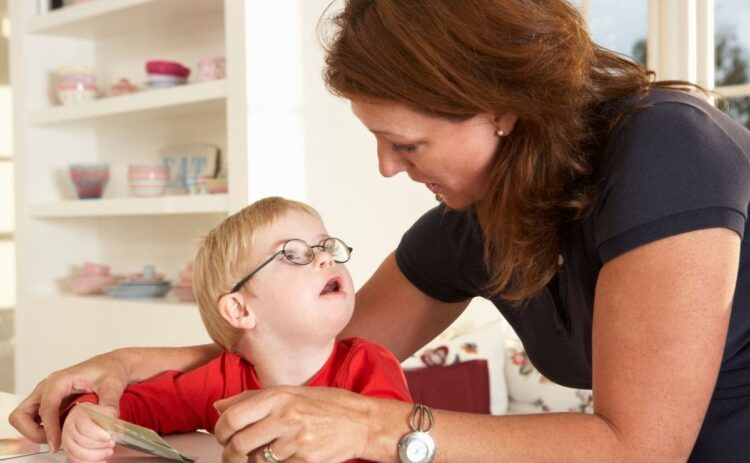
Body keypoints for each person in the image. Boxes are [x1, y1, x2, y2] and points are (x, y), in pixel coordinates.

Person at [10, 0, 750, 461]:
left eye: (407, 143)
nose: (388, 168)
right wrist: (130, 362)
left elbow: (640, 446)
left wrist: (372, 426)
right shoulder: (482, 220)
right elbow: (312, 338)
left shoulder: (667, 152)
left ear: (497, 104)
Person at [57, 197, 412, 463]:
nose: (325, 258)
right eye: (292, 253)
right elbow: (133, 405)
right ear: (240, 309)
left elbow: (392, 448)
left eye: (325, 246)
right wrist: (88, 416)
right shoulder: (222, 380)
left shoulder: (370, 366)